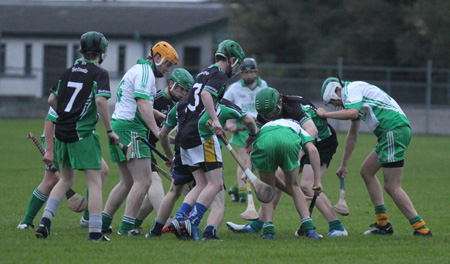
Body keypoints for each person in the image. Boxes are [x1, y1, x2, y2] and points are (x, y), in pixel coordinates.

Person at [316, 77, 432, 236]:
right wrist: (344, 164)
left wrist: (325, 115)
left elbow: (352, 113)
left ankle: (422, 229)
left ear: (337, 90)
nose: (337, 106)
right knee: (366, 171)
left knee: (392, 185)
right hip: (389, 133)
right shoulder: (354, 98)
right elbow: (353, 134)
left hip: (393, 130)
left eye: (334, 102)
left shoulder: (352, 89)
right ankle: (383, 224)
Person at [226, 88, 348, 237]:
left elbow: (312, 131)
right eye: (266, 114)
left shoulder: (293, 107)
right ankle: (259, 224)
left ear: (280, 102)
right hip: (295, 138)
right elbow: (257, 137)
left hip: (321, 140)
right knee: (277, 178)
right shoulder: (266, 110)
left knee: (307, 185)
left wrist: (297, 154)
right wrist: (250, 165)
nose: (269, 116)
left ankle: (337, 227)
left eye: (272, 113)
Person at [36, 31, 119, 241]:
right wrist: (109, 130)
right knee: (94, 182)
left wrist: (65, 113)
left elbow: (51, 99)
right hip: (82, 133)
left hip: (62, 132)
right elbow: (101, 102)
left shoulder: (69, 70)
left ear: (82, 50)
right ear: (102, 51)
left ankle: (45, 222)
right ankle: (95, 233)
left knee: (65, 179)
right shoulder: (99, 73)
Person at [167, 39, 246, 240]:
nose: (236, 69)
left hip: (185, 134)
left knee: (201, 183)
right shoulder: (219, 75)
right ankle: (191, 222)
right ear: (231, 58)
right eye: (237, 64)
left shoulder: (203, 73)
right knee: (216, 183)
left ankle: (179, 218)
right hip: (201, 135)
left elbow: (186, 103)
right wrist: (215, 119)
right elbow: (205, 95)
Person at [149, 98, 256, 240]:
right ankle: (207, 232)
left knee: (176, 190)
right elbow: (248, 120)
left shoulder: (183, 103)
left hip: (183, 151)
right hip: (208, 151)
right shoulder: (221, 104)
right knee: (217, 197)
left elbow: (163, 134)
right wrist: (253, 135)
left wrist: (171, 157)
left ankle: (158, 229)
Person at [101, 41, 178, 236]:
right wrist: (157, 130)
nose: (168, 70)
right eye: (167, 64)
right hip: (131, 128)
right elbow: (142, 102)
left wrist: (157, 114)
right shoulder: (145, 72)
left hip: (121, 124)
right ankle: (126, 228)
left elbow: (137, 101)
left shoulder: (138, 70)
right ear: (157, 57)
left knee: (127, 182)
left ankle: (102, 223)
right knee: (144, 181)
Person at [18, 107, 109, 230]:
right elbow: (50, 119)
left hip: (80, 138)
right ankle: (26, 221)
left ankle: (88, 219)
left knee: (102, 170)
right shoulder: (66, 89)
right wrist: (49, 149)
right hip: (57, 138)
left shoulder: (91, 88)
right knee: (51, 180)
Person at [134, 68, 194, 230]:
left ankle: (134, 223)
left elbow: (164, 135)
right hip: (139, 141)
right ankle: (166, 220)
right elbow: (139, 107)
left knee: (151, 188)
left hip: (150, 146)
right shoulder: (156, 99)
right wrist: (170, 157)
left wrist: (179, 141)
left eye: (186, 90)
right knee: (155, 181)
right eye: (181, 88)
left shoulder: (176, 105)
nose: (183, 93)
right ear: (171, 84)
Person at [248, 115, 323, 239]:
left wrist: (248, 171)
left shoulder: (262, 129)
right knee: (294, 186)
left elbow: (251, 150)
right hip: (288, 140)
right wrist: (317, 181)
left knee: (268, 188)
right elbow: (313, 151)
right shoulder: (297, 128)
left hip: (264, 141)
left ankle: (268, 232)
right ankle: (309, 230)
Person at [224, 58, 268, 203]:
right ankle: (243, 194)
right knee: (244, 160)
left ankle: (236, 189)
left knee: (253, 161)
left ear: (256, 72)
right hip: (242, 127)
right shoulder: (234, 88)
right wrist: (229, 122)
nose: (248, 75)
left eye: (251, 72)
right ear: (240, 73)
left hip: (259, 127)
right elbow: (223, 105)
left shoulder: (263, 86)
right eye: (245, 72)